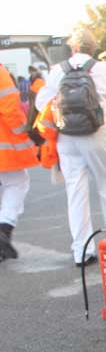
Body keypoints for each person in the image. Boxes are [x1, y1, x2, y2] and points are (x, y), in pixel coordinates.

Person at [35, 27, 106, 265]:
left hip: (67, 136)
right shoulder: (103, 68)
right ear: (93, 48)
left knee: (75, 190)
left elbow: (40, 102)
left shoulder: (58, 70)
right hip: (97, 132)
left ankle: (82, 250)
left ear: (73, 47)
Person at [0, 62, 38, 260]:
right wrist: (25, 136)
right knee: (17, 183)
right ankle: (4, 230)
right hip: (3, 143)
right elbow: (10, 110)